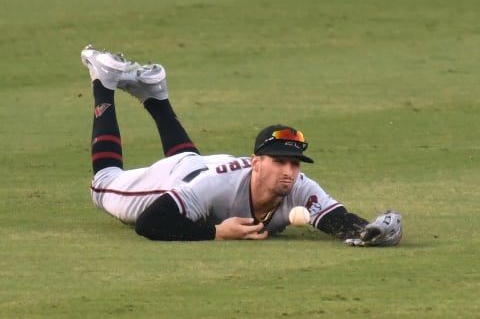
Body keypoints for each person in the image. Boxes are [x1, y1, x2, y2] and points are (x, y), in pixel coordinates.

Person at [80, 45, 402, 245]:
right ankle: (104, 82)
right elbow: (151, 223)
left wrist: (369, 230)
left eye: (294, 163)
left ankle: (155, 92)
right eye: (279, 162)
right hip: (178, 180)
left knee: (191, 158)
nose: (289, 171)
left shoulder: (299, 186)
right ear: (256, 162)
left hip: (203, 168)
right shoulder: (219, 186)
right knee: (103, 184)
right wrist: (217, 233)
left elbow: (335, 219)